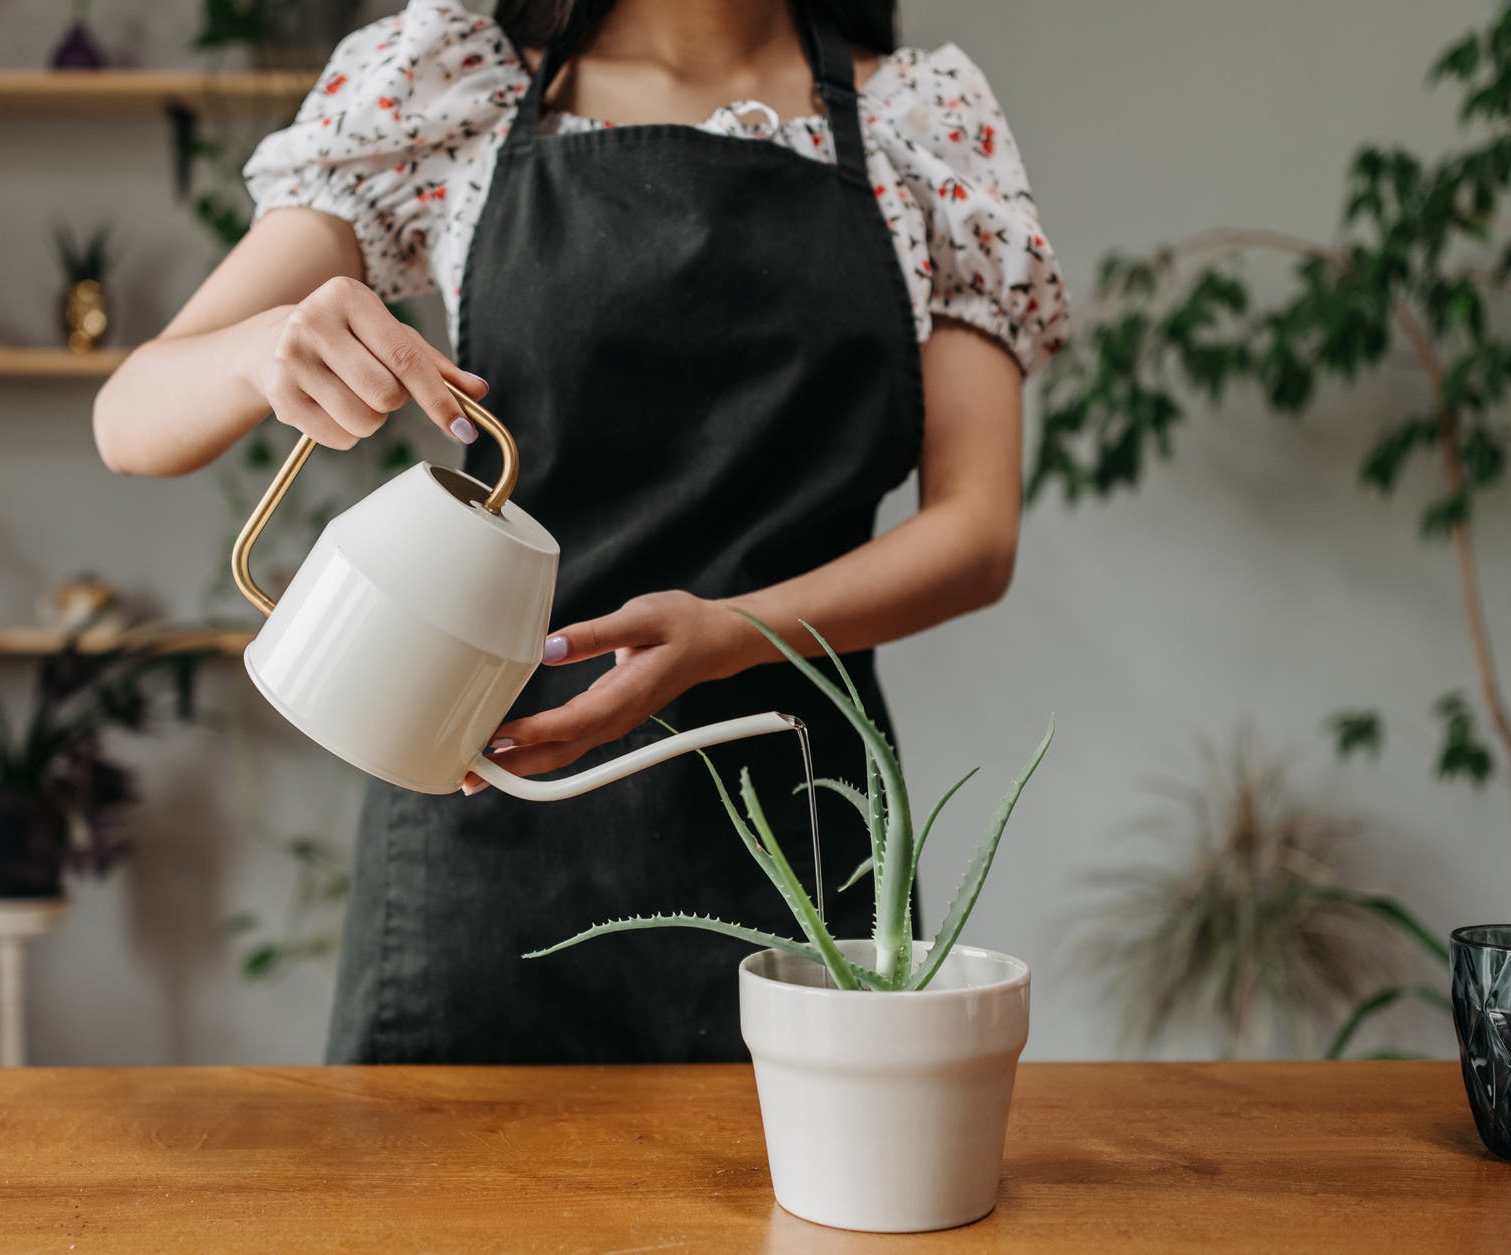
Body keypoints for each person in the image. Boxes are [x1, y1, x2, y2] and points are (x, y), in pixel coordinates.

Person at [93, 0, 1068, 1064]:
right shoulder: (453, 85)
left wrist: (733, 632)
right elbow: (130, 418)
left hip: (790, 839)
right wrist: (266, 348)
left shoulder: (920, 124)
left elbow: (974, 532)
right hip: (483, 825)